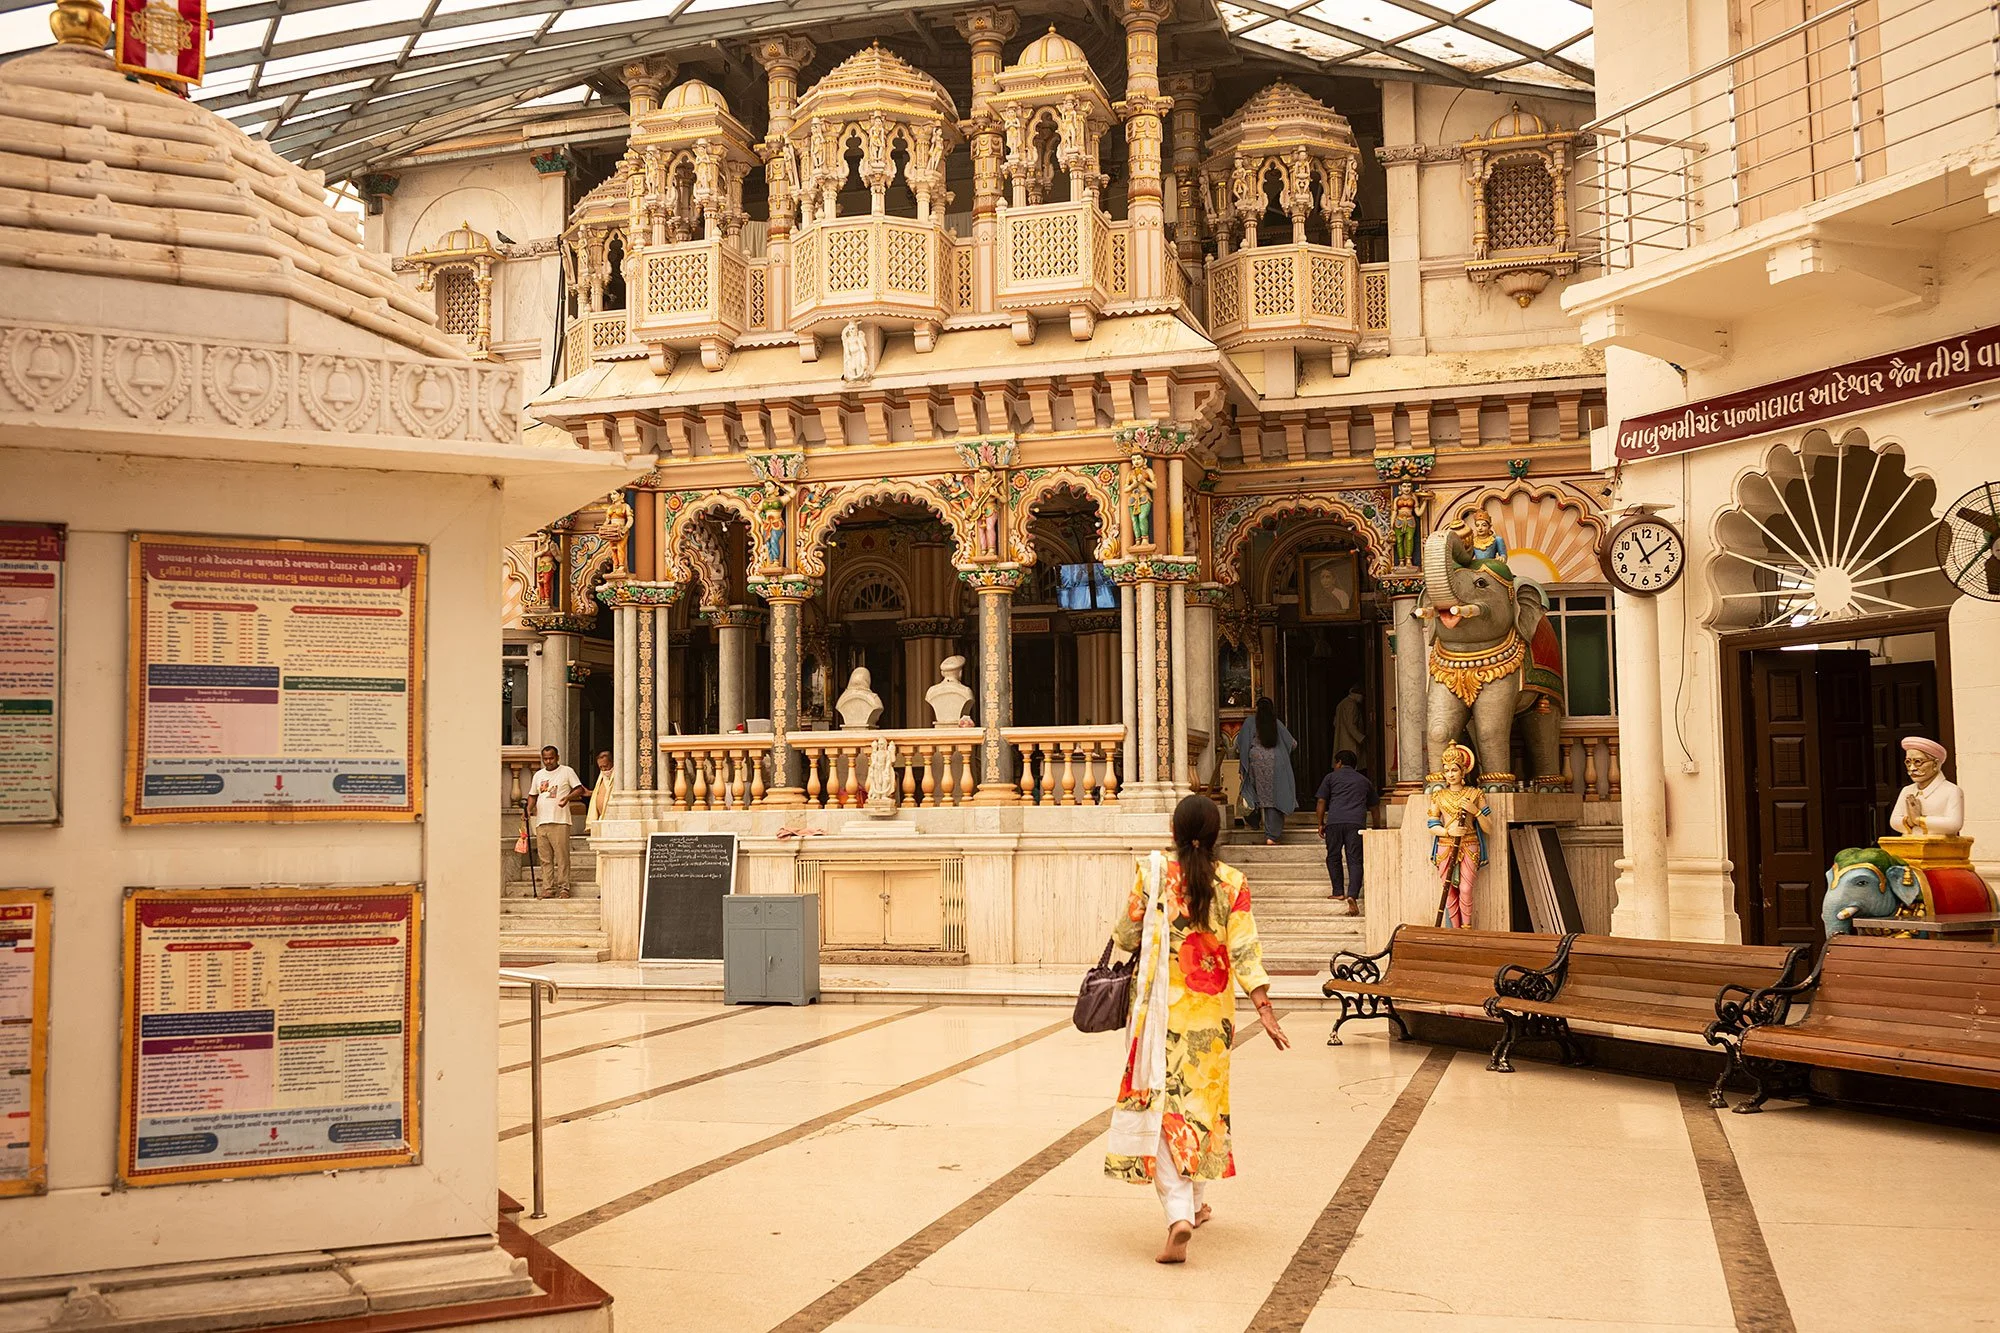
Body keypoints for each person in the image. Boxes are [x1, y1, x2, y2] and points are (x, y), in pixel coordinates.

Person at [1106, 795, 1289, 1265]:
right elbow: (1246, 949)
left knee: (1162, 1108)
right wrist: (1264, 1007)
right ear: (1215, 835)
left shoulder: (1153, 873)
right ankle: (1198, 1202)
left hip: (1159, 1016)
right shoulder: (1233, 882)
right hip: (1212, 1015)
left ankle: (1178, 1214)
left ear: (1173, 827)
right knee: (1201, 1105)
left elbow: (1125, 937)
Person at [1426, 742, 1489, 928]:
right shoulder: (1438, 796)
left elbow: (1489, 827)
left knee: (1466, 888)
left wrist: (1475, 811)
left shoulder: (1475, 794)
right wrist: (1447, 831)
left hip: (1469, 843)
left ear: (1463, 771)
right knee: (1449, 890)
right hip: (1446, 845)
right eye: (1447, 770)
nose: (1450, 774)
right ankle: (1454, 930)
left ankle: (1467, 929)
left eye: (1454, 770)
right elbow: (1431, 824)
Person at [1314, 750, 1374, 914]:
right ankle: (1352, 895)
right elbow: (1374, 806)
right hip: (1356, 824)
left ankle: (1338, 892)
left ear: (1339, 762)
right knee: (1355, 859)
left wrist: (1320, 823)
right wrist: (1376, 826)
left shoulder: (1331, 777)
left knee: (1333, 856)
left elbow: (1321, 801)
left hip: (1334, 823)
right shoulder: (1364, 781)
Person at [1235, 697, 1297, 845]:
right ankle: (1272, 835)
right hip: (1276, 763)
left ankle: (1254, 822)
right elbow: (1292, 743)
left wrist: (1244, 766)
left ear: (1257, 708)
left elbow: (1240, 743)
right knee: (1274, 799)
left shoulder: (1250, 721)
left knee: (1256, 795)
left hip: (1256, 762)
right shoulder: (1276, 722)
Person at [526, 746, 583, 899]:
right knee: (545, 858)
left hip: (560, 820)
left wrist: (568, 798)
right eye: (545, 759)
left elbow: (579, 789)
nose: (548, 761)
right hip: (541, 822)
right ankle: (548, 888)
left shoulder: (566, 771)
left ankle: (564, 887)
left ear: (557, 757)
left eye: (551, 758)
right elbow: (533, 795)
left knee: (562, 856)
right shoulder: (538, 775)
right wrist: (528, 809)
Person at [1889, 736, 1963, 837]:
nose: (1912, 768)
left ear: (1935, 764)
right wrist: (1909, 821)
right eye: (1908, 762)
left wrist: (1919, 819)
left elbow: (1954, 824)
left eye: (1918, 762)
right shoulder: (1907, 790)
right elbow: (1894, 821)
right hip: (1909, 845)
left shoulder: (1951, 791)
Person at [584, 750, 614, 835]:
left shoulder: (618, 777)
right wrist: (590, 793)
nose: (604, 769)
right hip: (602, 819)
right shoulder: (602, 776)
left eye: (606, 766)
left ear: (612, 763)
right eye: (601, 767)